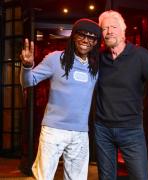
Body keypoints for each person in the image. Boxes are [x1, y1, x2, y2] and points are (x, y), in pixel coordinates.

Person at [94, 10, 148, 180]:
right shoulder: (99, 58)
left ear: (123, 30)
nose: (109, 31)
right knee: (106, 177)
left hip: (131, 129)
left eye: (114, 27)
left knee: (140, 177)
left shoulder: (140, 56)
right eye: (105, 28)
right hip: (103, 130)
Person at [20, 18, 101, 180]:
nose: (86, 40)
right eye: (82, 35)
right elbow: (29, 81)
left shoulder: (95, 67)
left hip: (80, 133)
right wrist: (27, 66)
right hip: (53, 131)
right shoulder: (55, 59)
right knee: (43, 177)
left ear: (95, 42)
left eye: (91, 37)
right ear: (73, 36)